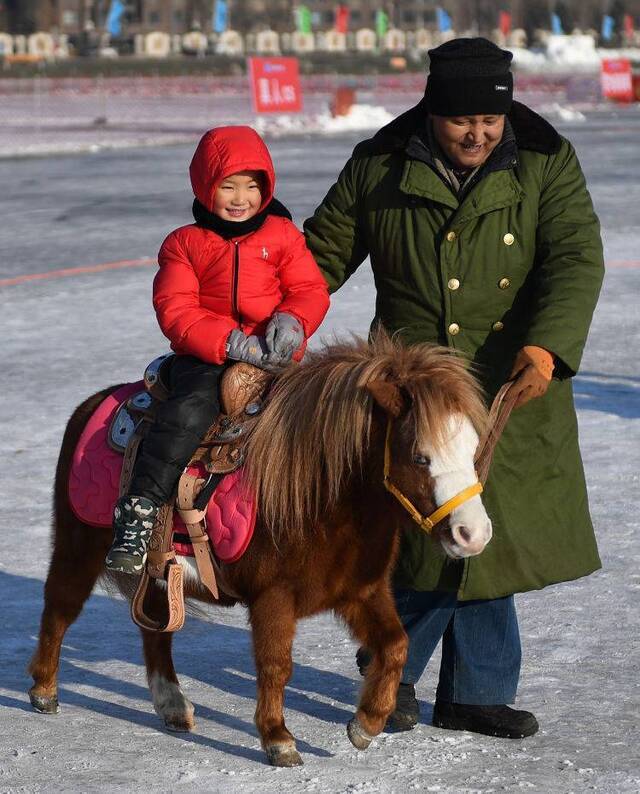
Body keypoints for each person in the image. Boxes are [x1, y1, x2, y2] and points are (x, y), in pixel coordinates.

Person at [304, 38, 604, 739]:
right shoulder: (380, 163)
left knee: (483, 537)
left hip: (507, 383)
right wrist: (278, 325)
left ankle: (474, 692)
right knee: (417, 536)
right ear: (432, 110)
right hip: (415, 389)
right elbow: (322, 252)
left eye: (490, 121)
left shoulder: (545, 159)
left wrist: (549, 345)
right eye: (462, 120)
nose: (478, 133)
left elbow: (575, 254)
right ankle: (392, 668)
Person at [106, 125, 330, 574]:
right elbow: (176, 310)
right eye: (228, 185)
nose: (240, 197)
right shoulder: (184, 244)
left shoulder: (283, 236)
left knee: (325, 409)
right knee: (189, 411)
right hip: (208, 357)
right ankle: (140, 508)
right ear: (206, 186)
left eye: (252, 186)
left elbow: (309, 287)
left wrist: (293, 320)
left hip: (274, 354)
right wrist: (230, 343)